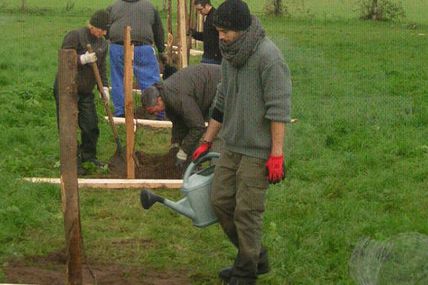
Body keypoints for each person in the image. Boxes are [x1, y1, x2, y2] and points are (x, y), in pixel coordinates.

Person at [191, 1, 292, 284]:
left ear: (242, 29)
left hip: (258, 151)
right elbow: (222, 100)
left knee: (247, 212)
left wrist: (276, 154)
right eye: (218, 31)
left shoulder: (268, 58)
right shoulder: (230, 54)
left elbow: (279, 109)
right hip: (231, 145)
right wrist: (207, 140)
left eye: (225, 31)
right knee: (221, 201)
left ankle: (246, 272)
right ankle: (255, 255)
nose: (220, 36)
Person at [53, 9, 110, 173]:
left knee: (91, 125)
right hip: (67, 89)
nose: (104, 33)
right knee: (68, 127)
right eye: (102, 29)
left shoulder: (103, 43)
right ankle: (72, 162)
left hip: (85, 91)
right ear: (93, 26)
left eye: (106, 30)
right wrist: (82, 59)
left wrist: (104, 88)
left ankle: (88, 156)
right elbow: (64, 60)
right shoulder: (75, 36)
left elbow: (102, 68)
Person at [141, 64, 221, 168]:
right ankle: (194, 166)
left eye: (153, 111)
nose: (155, 114)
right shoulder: (166, 96)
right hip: (206, 88)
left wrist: (183, 151)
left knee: (217, 130)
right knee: (191, 132)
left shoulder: (177, 97)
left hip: (222, 85)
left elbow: (198, 126)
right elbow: (179, 122)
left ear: (159, 100)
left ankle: (216, 172)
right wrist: (175, 144)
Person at [107, 0, 165, 117]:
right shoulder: (149, 6)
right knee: (150, 80)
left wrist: (110, 37)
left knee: (118, 78)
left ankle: (120, 112)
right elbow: (158, 30)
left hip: (118, 45)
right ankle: (158, 111)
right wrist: (161, 50)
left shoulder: (113, 6)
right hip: (142, 46)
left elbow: (105, 27)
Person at [188, 0, 222, 64]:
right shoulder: (208, 17)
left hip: (214, 57)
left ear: (207, 6)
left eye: (200, 9)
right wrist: (193, 33)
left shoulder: (215, 17)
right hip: (209, 56)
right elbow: (207, 36)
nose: (199, 12)